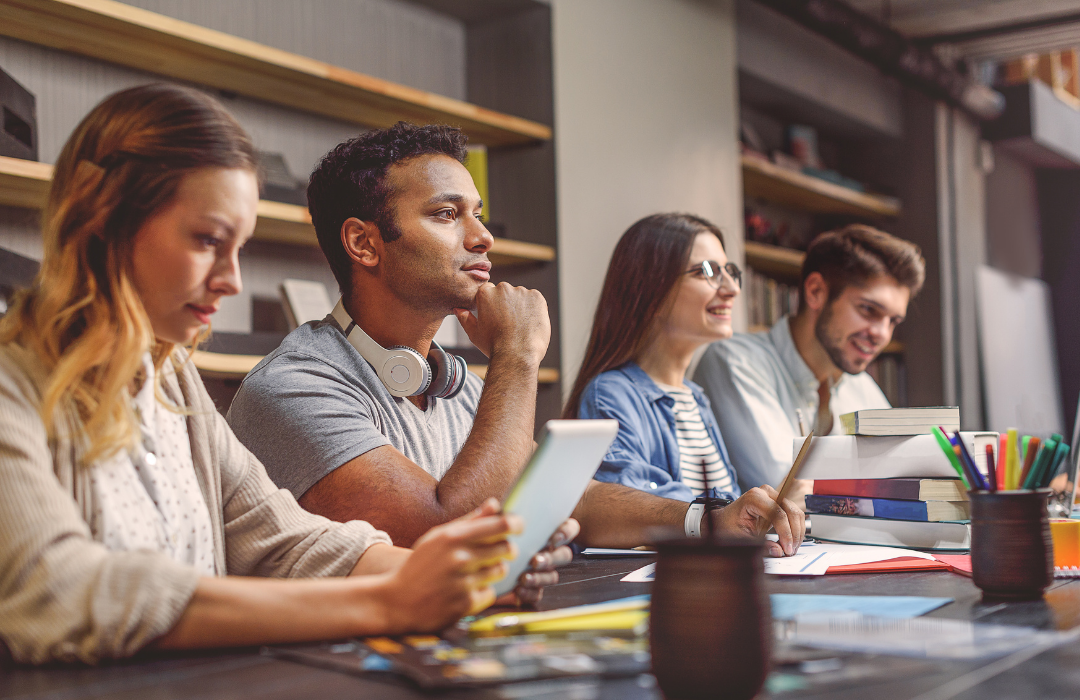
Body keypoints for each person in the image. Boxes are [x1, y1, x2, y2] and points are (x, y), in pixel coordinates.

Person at [0, 85, 540, 665]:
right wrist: (390, 601)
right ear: (102, 213)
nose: (232, 279)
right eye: (209, 241)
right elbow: (64, 589)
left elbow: (282, 538)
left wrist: (459, 580)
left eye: (239, 248)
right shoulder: (13, 382)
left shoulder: (170, 378)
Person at [226, 123, 803, 555]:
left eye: (478, 214)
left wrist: (708, 520)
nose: (482, 238)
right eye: (448, 214)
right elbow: (446, 531)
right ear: (364, 243)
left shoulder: (455, 384)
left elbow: (565, 495)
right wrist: (518, 356)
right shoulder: (293, 388)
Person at [564, 213, 803, 553]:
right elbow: (629, 507)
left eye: (729, 271)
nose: (732, 288)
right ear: (650, 288)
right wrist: (721, 517)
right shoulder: (611, 393)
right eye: (707, 271)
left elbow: (721, 509)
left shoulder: (695, 398)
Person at [693, 224, 926, 493]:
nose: (882, 335)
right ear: (816, 292)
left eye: (893, 321)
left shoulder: (861, 385)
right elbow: (784, 490)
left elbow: (905, 475)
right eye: (869, 310)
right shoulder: (734, 362)